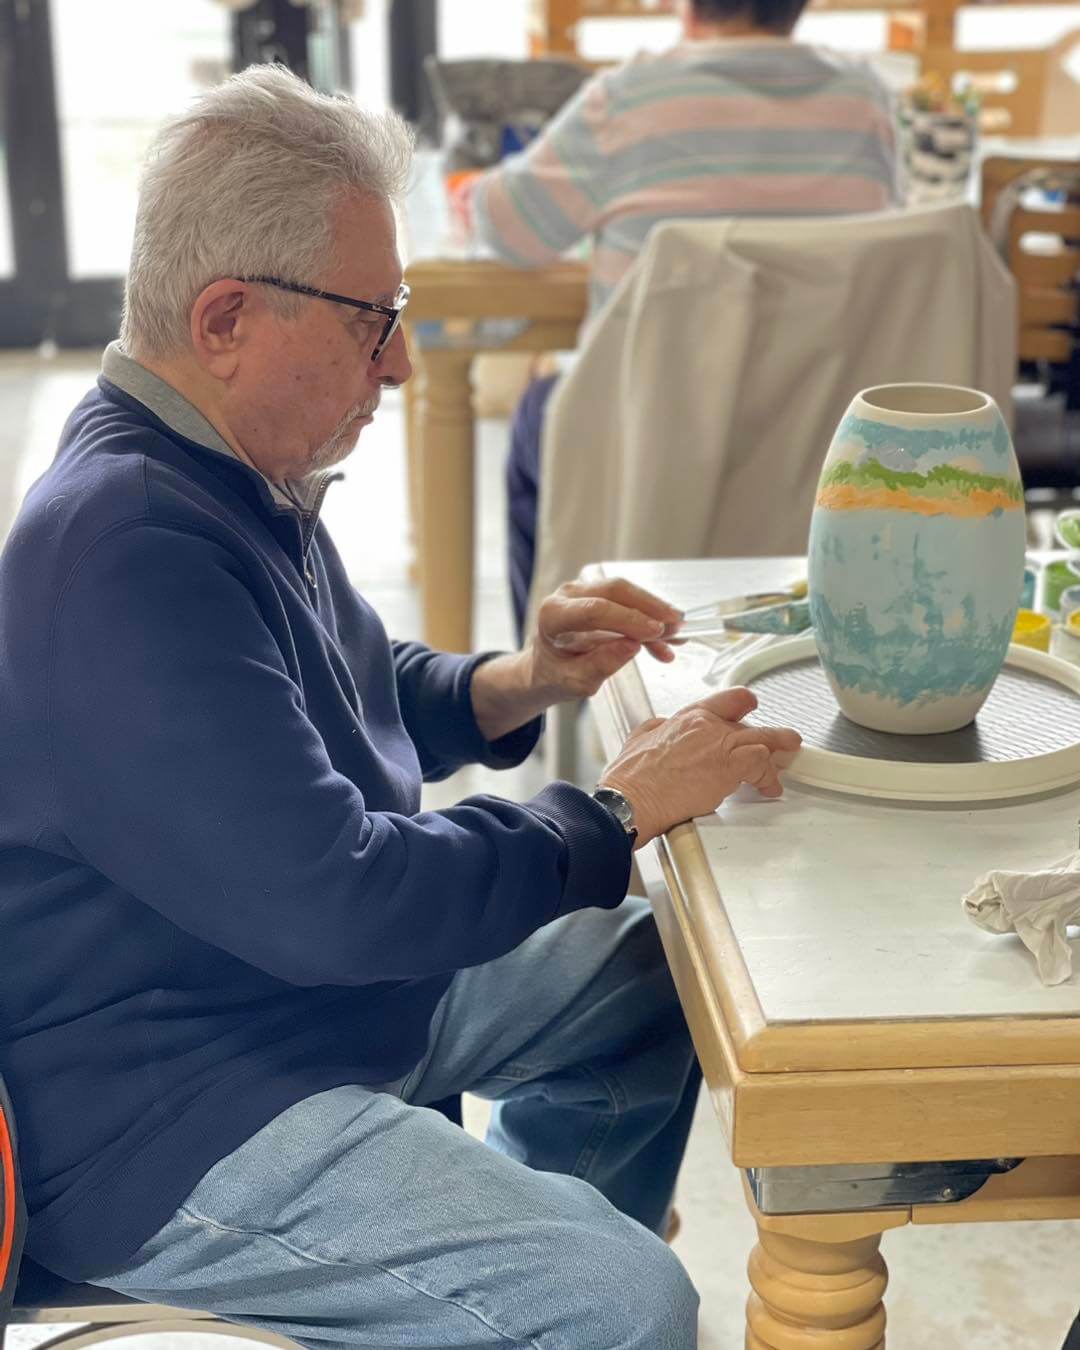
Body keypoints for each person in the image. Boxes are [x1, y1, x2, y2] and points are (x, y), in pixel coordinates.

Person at [0, 66, 800, 1349]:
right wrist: (608, 815)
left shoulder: (214, 469)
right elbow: (346, 898)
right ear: (226, 319)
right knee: (625, 1301)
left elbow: (328, 695)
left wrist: (519, 679)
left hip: (287, 998)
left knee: (657, 964)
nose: (405, 363)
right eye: (374, 322)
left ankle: (499, 1298)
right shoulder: (128, 547)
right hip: (170, 1107)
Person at [466, 0, 903, 641]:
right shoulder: (865, 101)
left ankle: (551, 674)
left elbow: (507, 228)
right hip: (824, 451)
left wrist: (471, 190)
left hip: (652, 448)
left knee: (541, 413)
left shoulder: (630, 97)